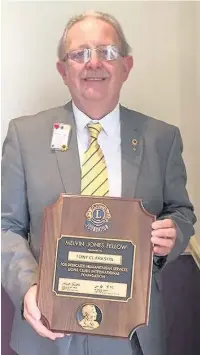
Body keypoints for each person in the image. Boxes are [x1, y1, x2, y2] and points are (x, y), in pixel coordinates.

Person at [1, 10, 196, 355]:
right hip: (49, 331)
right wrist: (30, 287)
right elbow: (6, 227)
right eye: (79, 54)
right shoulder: (24, 135)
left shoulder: (162, 139)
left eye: (107, 52)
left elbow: (180, 212)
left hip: (134, 332)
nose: (94, 63)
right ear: (63, 69)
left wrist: (174, 235)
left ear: (126, 66)